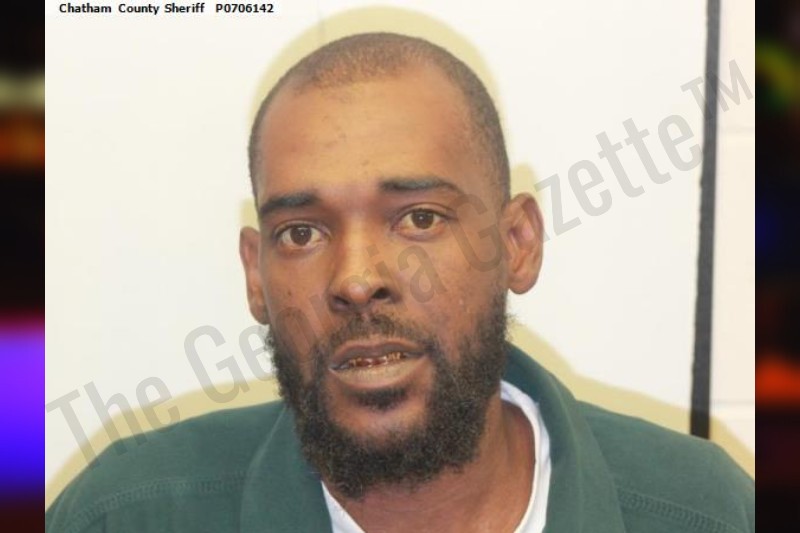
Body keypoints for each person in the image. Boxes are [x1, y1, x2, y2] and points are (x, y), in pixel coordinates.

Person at [46, 32, 754, 533]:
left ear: (517, 244)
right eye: (302, 232)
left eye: (419, 218)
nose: (357, 280)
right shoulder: (128, 516)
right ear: (255, 276)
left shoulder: (706, 512)